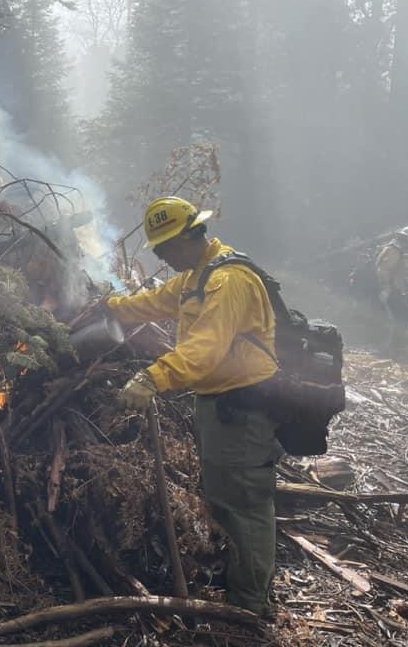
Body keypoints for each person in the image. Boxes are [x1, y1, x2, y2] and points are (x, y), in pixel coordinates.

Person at [106, 196, 280, 617]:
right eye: (158, 250)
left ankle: (250, 605)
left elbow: (205, 351)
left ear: (189, 236)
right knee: (224, 497)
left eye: (166, 247)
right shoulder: (195, 274)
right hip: (219, 404)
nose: (162, 256)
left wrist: (152, 376)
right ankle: (242, 581)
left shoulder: (228, 280)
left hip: (242, 408)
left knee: (244, 504)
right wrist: (107, 306)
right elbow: (153, 302)